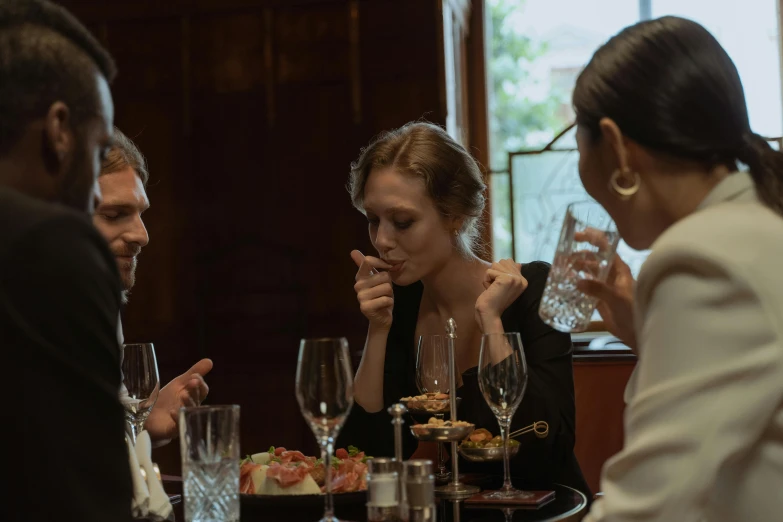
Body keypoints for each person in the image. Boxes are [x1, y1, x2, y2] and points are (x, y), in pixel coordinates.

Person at [569, 16, 783, 522]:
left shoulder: (701, 254)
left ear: (615, 145)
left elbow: (648, 505)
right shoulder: (755, 221)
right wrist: (648, 332)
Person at [338, 121, 590, 495]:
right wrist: (377, 329)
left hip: (545, 512)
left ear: (455, 215)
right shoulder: (401, 303)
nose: (383, 241)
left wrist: (491, 322)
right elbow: (367, 455)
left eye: (402, 222)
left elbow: (545, 448)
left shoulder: (532, 289)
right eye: (374, 220)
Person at [0, 1, 132, 521]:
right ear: (59, 129)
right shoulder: (52, 243)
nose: (97, 197)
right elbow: (83, 496)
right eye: (100, 151)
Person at [94, 128, 213, 444]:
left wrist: (142, 422)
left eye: (139, 214)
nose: (141, 235)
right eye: (115, 214)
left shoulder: (99, 301)